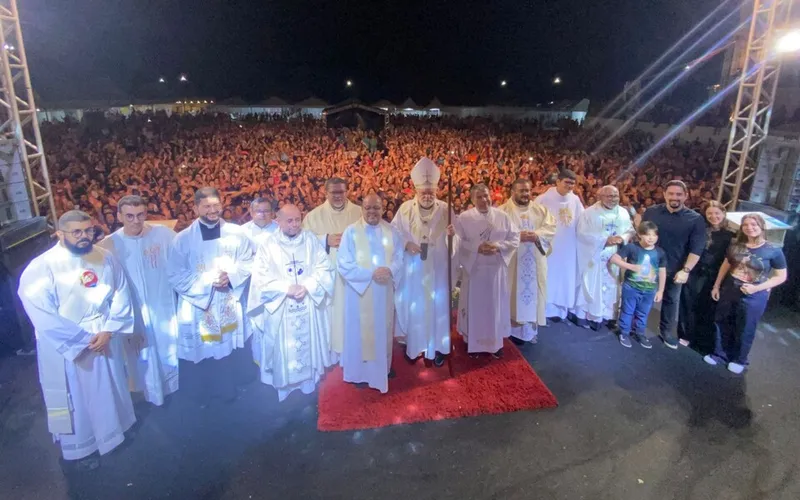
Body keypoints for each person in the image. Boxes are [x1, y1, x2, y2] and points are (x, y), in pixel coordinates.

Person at [17, 210, 135, 470]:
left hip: (104, 334)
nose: (84, 237)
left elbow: (121, 293)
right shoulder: (41, 267)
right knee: (79, 399)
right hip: (71, 344)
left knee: (111, 387)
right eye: (77, 232)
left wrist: (109, 330)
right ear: (59, 234)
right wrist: (83, 340)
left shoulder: (105, 258)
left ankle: (114, 434)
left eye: (88, 230)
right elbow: (41, 312)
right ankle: (84, 447)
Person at [246, 204, 335, 400]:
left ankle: (307, 385)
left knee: (307, 345)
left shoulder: (310, 240)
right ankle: (284, 386)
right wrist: (286, 288)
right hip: (281, 306)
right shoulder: (269, 245)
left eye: (297, 219)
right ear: (278, 221)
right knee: (284, 349)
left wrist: (308, 285)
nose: (295, 224)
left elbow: (325, 268)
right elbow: (260, 278)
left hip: (307, 303)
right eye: (289, 221)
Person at [98, 195, 179, 406]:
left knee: (166, 347)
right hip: (132, 310)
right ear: (119, 216)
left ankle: (173, 387)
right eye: (129, 216)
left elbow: (183, 253)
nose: (136, 220)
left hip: (163, 305)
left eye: (140, 215)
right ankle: (149, 392)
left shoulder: (163, 234)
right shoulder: (108, 246)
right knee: (142, 354)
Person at [167, 187, 255, 362]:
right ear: (195, 208)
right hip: (200, 305)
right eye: (206, 206)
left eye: (216, 205)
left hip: (229, 299)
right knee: (206, 356)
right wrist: (208, 281)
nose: (213, 210)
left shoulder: (237, 233)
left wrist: (231, 277)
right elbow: (175, 274)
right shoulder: (182, 239)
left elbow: (248, 260)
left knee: (233, 354)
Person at [391, 157, 456, 366]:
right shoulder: (405, 209)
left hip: (437, 270)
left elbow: (459, 238)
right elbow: (393, 234)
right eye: (423, 192)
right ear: (416, 191)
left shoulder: (446, 209)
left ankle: (438, 346)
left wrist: (452, 236)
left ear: (436, 191)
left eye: (431, 192)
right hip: (414, 270)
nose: (427, 195)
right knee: (416, 307)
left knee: (437, 308)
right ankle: (415, 345)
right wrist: (405, 243)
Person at [337, 194, 404, 392]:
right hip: (360, 293)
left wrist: (390, 270)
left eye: (376, 208)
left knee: (383, 329)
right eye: (368, 208)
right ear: (362, 209)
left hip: (383, 291)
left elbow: (399, 257)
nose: (372, 212)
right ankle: (359, 373)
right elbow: (344, 263)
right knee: (360, 331)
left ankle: (382, 368)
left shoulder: (392, 231)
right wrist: (370, 274)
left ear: (383, 209)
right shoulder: (351, 232)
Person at [706, 214, 787, 373]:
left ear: (762, 226)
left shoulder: (773, 251)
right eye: (746, 225)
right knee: (722, 321)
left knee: (746, 326)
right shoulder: (736, 245)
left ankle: (739, 359)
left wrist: (757, 288)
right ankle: (719, 354)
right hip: (729, 290)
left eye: (754, 224)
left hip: (754, 296)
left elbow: (781, 276)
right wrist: (716, 285)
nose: (750, 227)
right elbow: (726, 265)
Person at [456, 184, 520, 358]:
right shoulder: (464, 218)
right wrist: (477, 247)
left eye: (486, 196)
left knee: (494, 306)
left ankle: (495, 343)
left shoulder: (502, 216)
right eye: (479, 197)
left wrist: (498, 247)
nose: (484, 200)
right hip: (475, 270)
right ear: (472, 199)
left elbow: (515, 238)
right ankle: (473, 342)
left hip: (495, 271)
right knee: (475, 307)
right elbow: (458, 242)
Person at [641, 180, 706, 349]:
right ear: (664, 195)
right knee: (643, 297)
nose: (674, 197)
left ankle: (667, 333)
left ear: (685, 196)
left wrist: (686, 270)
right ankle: (637, 328)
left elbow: (696, 248)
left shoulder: (695, 219)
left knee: (671, 301)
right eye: (671, 193)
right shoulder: (652, 212)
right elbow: (641, 235)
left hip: (675, 268)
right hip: (649, 266)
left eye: (678, 194)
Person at [302, 178, 362, 359]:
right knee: (331, 311)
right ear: (325, 192)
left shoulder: (359, 213)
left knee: (353, 312)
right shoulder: (314, 216)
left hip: (354, 275)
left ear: (347, 191)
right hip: (328, 275)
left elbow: (373, 236)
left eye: (341, 192)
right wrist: (325, 239)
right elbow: (303, 241)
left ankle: (353, 349)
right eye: (334, 192)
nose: (338, 196)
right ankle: (331, 349)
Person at [499, 178, 556, 345]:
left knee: (533, 296)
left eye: (528, 191)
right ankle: (510, 330)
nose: (526, 194)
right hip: (512, 265)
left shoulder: (541, 211)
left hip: (534, 263)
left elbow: (551, 228)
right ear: (513, 192)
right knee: (511, 294)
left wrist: (537, 234)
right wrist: (517, 236)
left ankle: (529, 332)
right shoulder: (502, 212)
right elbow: (496, 233)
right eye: (522, 191)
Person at [678, 201, 735, 351]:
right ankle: (685, 335)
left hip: (715, 276)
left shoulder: (731, 236)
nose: (713, 216)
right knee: (689, 305)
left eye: (717, 213)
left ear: (723, 214)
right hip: (696, 273)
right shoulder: (700, 230)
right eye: (709, 213)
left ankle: (701, 339)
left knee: (707, 308)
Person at [575, 185, 634, 330]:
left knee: (612, 286)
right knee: (594, 286)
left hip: (615, 256)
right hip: (596, 256)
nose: (613, 199)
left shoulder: (623, 213)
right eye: (609, 196)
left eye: (616, 196)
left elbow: (630, 230)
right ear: (599, 197)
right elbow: (582, 234)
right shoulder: (589, 213)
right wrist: (604, 240)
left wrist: (622, 238)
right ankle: (591, 315)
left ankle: (608, 316)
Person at [534, 169, 584, 322]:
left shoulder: (575, 200)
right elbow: (533, 219)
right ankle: (544, 309)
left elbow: (583, 221)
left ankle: (561, 309)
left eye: (572, 184)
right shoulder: (543, 199)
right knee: (548, 276)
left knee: (564, 277)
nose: (570, 186)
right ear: (557, 182)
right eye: (567, 183)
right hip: (549, 246)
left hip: (568, 246)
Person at [610, 222, 667, 348]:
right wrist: (631, 267)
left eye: (654, 235)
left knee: (643, 312)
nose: (651, 238)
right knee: (627, 310)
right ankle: (624, 332)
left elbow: (662, 271)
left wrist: (661, 290)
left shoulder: (660, 252)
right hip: (632, 287)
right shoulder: (632, 247)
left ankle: (639, 333)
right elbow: (614, 259)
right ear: (640, 235)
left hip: (650, 289)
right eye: (647, 235)